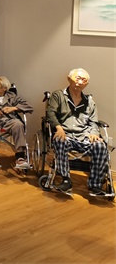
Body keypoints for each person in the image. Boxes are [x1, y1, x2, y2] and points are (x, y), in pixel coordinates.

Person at [47, 68, 110, 196]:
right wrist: (58, 128)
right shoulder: (58, 95)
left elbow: (93, 121)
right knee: (59, 141)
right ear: (69, 79)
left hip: (84, 136)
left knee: (100, 146)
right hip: (65, 134)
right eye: (77, 78)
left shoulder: (89, 101)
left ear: (87, 84)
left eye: (84, 80)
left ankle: (95, 185)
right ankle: (66, 180)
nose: (80, 82)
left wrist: (94, 133)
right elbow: (50, 113)